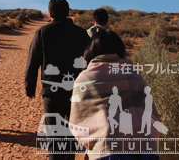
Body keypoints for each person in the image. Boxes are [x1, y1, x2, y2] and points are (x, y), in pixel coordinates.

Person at [69, 30, 162, 160]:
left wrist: (93, 144)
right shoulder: (135, 75)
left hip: (107, 149)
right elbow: (152, 116)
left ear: (91, 50)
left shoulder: (85, 78)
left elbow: (78, 122)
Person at [25, 0, 91, 160]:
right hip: (76, 92)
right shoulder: (81, 33)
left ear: (50, 13)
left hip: (51, 91)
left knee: (55, 133)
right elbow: (91, 61)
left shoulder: (43, 32)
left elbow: (33, 61)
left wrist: (30, 86)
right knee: (72, 130)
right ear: (67, 12)